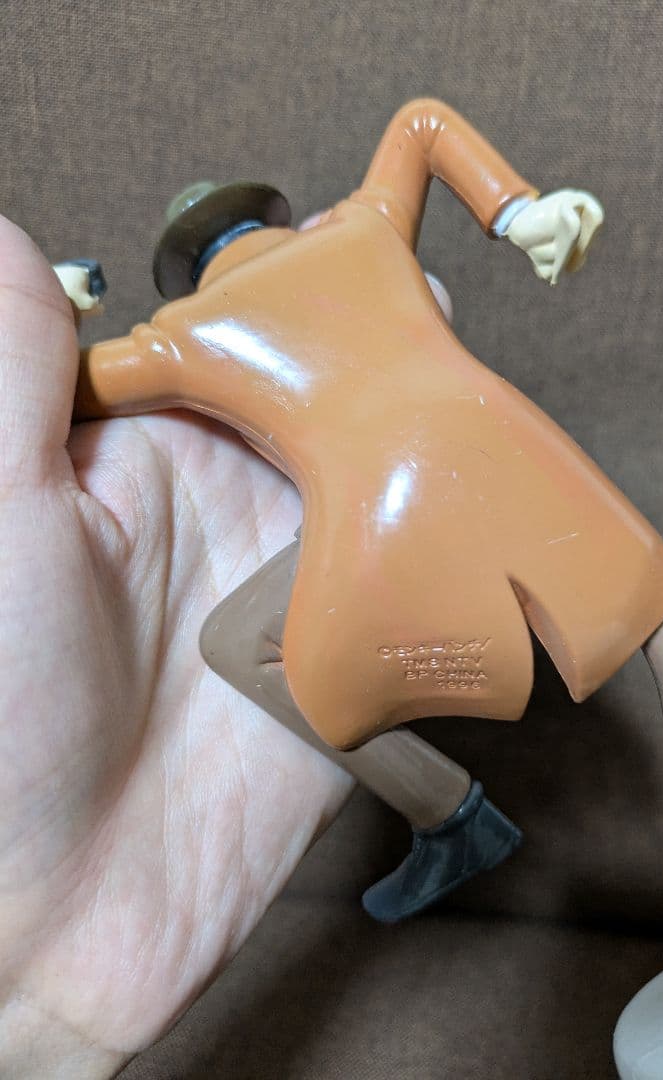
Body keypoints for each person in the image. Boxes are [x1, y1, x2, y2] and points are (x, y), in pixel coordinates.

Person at [0, 213, 353, 1076]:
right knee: (253, 646)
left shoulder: (208, 337)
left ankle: (453, 813)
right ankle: (453, 814)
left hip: (347, 527)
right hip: (333, 537)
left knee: (258, 646)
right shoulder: (206, 336)